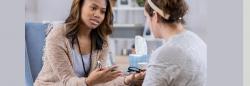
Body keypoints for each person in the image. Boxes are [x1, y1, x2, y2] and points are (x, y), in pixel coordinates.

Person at [34, 0, 144, 85]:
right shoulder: (58, 35)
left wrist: (127, 80)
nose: (98, 14)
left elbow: (100, 82)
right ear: (79, 6)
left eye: (103, 11)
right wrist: (89, 82)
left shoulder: (102, 39)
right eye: (93, 8)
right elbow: (67, 81)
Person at [142, 0, 207, 86]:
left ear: (155, 16)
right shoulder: (197, 41)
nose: (147, 23)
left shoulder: (164, 54)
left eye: (146, 17)